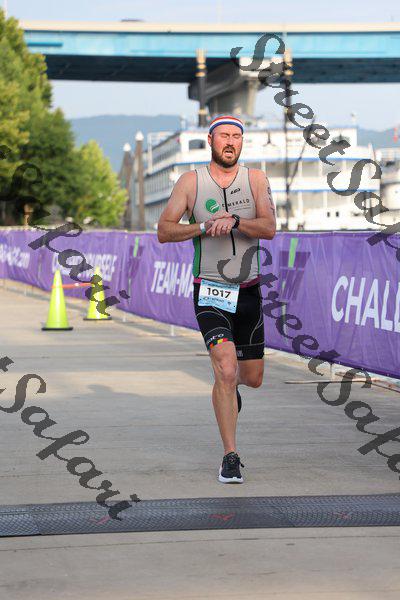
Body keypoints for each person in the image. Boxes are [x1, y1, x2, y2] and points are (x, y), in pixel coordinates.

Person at [157, 114, 276, 483]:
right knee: (225, 368)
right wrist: (203, 227)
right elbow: (164, 230)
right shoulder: (191, 181)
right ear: (210, 140)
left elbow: (269, 227)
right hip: (210, 290)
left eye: (237, 136)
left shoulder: (256, 179)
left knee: (250, 378)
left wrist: (237, 221)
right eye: (224, 135)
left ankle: (229, 391)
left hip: (248, 291)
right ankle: (230, 456)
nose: (231, 142)